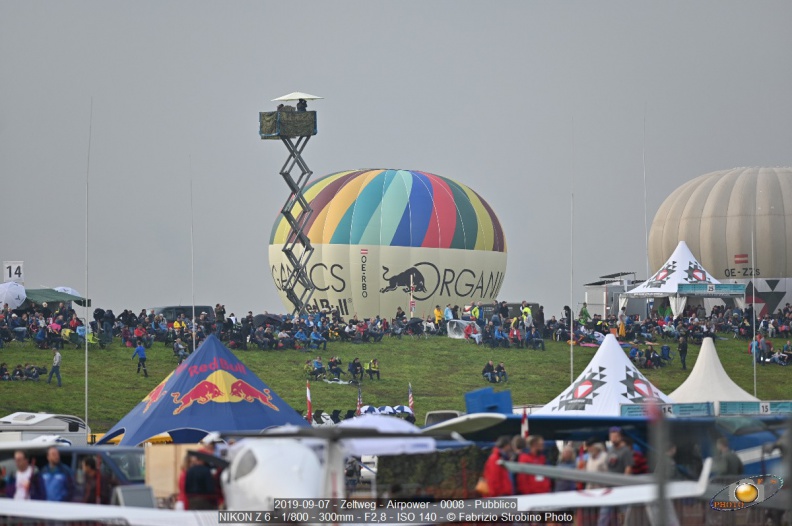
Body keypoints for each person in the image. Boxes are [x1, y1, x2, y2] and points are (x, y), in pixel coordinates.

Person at [598, 427, 633, 525]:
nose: (613, 438)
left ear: (620, 437)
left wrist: (623, 484)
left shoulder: (625, 451)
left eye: (615, 436)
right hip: (609, 487)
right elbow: (607, 467)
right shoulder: (610, 449)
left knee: (624, 514)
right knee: (604, 515)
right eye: (611, 436)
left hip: (620, 488)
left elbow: (628, 468)